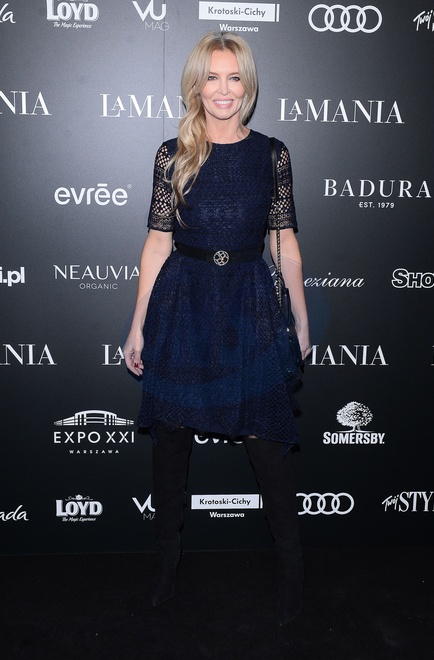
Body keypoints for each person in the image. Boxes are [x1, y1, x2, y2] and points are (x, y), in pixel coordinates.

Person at [123, 32, 311, 626]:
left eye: (234, 77)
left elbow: (284, 242)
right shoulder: (171, 154)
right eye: (212, 77)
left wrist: (300, 319)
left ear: (247, 85)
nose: (223, 90)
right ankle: (165, 565)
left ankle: (292, 574)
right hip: (183, 301)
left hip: (248, 305)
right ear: (196, 85)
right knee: (171, 439)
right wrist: (136, 326)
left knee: (267, 441)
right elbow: (157, 244)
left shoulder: (272, 154)